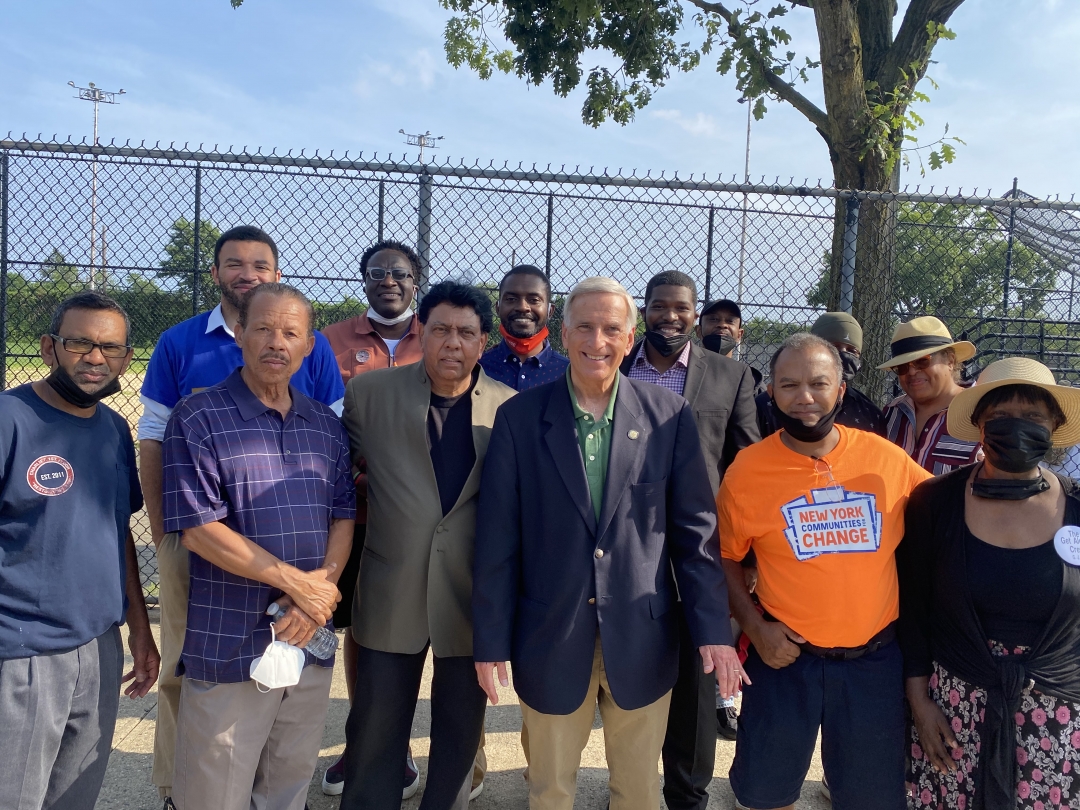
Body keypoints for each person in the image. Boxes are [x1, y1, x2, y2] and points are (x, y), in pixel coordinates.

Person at [473, 277, 744, 810]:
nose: (597, 341)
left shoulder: (669, 417)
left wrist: (715, 632)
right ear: (564, 332)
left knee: (638, 792)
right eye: (585, 327)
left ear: (629, 338)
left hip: (643, 637)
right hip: (550, 635)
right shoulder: (519, 419)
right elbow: (497, 539)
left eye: (611, 329)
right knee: (550, 790)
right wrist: (490, 641)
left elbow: (695, 536)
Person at [139, 225, 345, 809]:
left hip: (305, 611)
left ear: (308, 345)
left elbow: (339, 504)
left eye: (291, 333)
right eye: (263, 330)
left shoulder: (322, 418)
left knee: (288, 768)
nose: (277, 343)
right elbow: (188, 508)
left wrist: (317, 591)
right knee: (210, 756)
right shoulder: (194, 396)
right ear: (240, 334)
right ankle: (178, 791)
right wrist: (298, 584)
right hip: (219, 594)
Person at [717, 332, 931, 810]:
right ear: (770, 392)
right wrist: (756, 628)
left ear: (841, 390)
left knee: (870, 797)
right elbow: (726, 556)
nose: (805, 397)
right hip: (786, 657)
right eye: (789, 385)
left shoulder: (885, 460)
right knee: (765, 793)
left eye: (818, 383)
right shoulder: (747, 471)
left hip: (873, 661)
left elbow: (942, 509)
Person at [340, 280, 515, 810]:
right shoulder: (370, 395)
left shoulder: (510, 410)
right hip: (391, 585)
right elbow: (336, 476)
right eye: (440, 329)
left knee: (459, 735)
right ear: (422, 331)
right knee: (375, 728)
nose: (452, 343)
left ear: (483, 340)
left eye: (465, 332)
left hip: (470, 594)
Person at [0, 292, 160, 810]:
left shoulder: (113, 429)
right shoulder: (9, 419)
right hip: (22, 651)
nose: (95, 358)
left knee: (74, 797)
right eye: (80, 343)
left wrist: (140, 629)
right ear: (49, 348)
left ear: (126, 358)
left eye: (110, 347)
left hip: (98, 647)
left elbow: (118, 532)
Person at [897, 358, 1080, 810]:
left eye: (1033, 416)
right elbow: (913, 611)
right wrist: (919, 703)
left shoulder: (1078, 506)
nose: (1017, 427)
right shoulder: (935, 502)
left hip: (1058, 716)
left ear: (1055, 426)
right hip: (954, 710)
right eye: (1001, 416)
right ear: (979, 425)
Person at [618, 270, 759, 808]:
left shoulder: (731, 376)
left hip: (699, 547)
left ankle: (687, 794)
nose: (670, 316)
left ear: (695, 315)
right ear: (644, 312)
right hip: (624, 544)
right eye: (659, 306)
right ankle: (630, 789)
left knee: (698, 679)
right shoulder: (615, 368)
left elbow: (746, 466)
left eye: (681, 308)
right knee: (628, 672)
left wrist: (748, 553)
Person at [319, 239, 426, 798]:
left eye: (400, 273)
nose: (388, 280)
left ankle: (398, 741)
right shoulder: (330, 341)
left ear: (416, 282)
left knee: (411, 630)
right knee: (361, 630)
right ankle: (363, 739)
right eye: (377, 272)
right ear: (363, 280)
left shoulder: (434, 336)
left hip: (416, 517)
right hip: (351, 515)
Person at [756, 312, 885, 437]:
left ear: (841, 391)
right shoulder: (765, 407)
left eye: (852, 351)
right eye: (834, 347)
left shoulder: (868, 413)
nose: (844, 355)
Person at [879, 316, 980, 474]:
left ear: (950, 361)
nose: (912, 371)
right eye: (902, 366)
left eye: (922, 361)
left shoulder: (982, 413)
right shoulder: (890, 414)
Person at [480, 263, 570, 391]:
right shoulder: (477, 368)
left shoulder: (569, 374)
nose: (522, 307)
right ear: (498, 308)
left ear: (550, 311)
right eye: (511, 299)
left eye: (534, 300)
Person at [697, 298, 765, 393]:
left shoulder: (752, 381)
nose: (722, 325)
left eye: (730, 320)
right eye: (713, 319)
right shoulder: (684, 373)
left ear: (739, 334)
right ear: (698, 331)